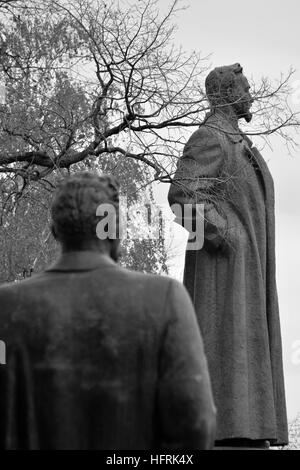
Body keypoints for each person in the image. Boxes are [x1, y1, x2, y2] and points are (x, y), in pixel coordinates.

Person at [0, 172, 216, 450]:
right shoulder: (164, 298)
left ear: (56, 230)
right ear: (115, 230)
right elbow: (196, 426)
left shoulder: (6, 306)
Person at [168, 64, 288, 448]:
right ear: (227, 93)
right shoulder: (210, 138)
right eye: (246, 87)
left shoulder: (238, 141)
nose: (252, 94)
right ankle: (232, 427)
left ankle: (250, 425)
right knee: (228, 343)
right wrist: (223, 234)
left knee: (246, 343)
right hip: (222, 273)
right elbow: (183, 198)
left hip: (246, 272)